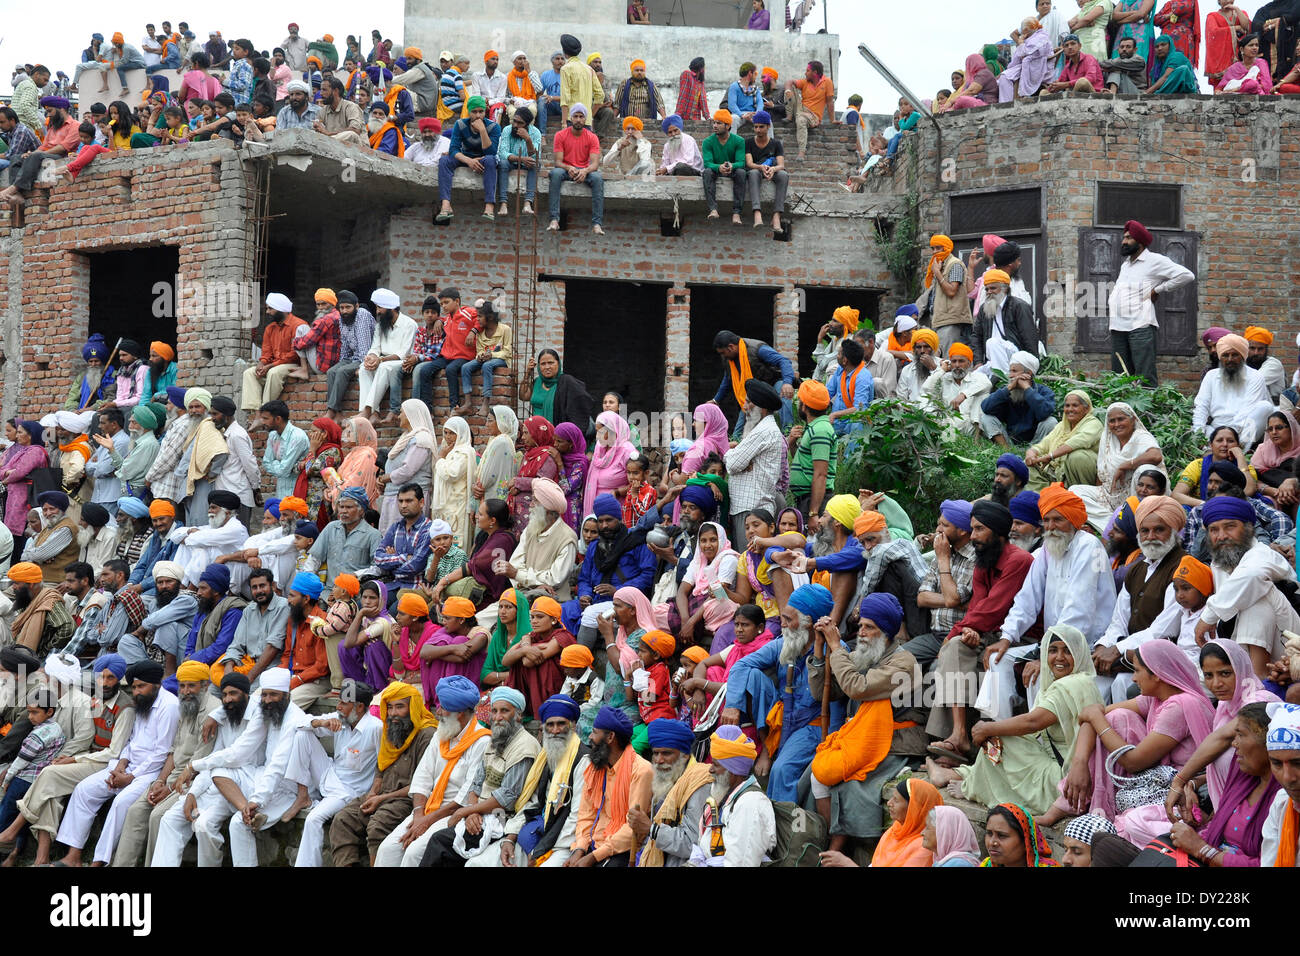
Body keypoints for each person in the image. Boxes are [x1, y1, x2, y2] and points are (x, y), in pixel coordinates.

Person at [802, 593, 926, 853]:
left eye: (870, 627)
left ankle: (836, 845)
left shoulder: (904, 662)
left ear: (886, 632)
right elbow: (824, 692)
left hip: (895, 744)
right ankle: (826, 838)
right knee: (813, 773)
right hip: (861, 739)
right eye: (861, 626)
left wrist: (836, 648)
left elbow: (856, 687)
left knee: (853, 786)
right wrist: (818, 647)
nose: (862, 632)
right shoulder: (865, 654)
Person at [981, 485, 1116, 718]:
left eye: (1058, 520)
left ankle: (1041, 745)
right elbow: (1027, 599)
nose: (1051, 527)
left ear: (1073, 521)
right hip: (1055, 645)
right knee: (998, 658)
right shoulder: (1047, 550)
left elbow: (1079, 610)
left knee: (1038, 674)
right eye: (1047, 520)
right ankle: (998, 739)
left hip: (1087, 647)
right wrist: (1006, 637)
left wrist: (1045, 655)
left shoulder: (1090, 547)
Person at [53, 660, 179, 866]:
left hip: (151, 772)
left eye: (141, 686)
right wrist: (121, 765)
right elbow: (131, 741)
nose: (136, 692)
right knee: (84, 790)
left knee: (120, 804)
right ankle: (72, 857)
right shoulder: (143, 702)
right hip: (126, 765)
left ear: (156, 685)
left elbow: (162, 752)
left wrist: (130, 776)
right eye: (134, 687)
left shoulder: (169, 706)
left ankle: (99, 861)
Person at [1195, 495, 1300, 678]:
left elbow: (1251, 576)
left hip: (1289, 645)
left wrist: (1208, 617)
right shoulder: (1219, 564)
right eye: (1214, 530)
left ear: (1248, 529)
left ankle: (1257, 681)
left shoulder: (1264, 555)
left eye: (1230, 527)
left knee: (1257, 596)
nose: (1221, 536)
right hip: (1237, 650)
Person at [1106, 219, 1196, 388]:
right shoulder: (1126, 265)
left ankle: (1147, 412)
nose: (1124, 241)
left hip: (1140, 326)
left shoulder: (1154, 260)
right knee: (1119, 378)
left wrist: (1158, 290)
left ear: (1140, 242)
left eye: (1128, 238)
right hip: (1118, 326)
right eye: (1124, 237)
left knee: (1144, 377)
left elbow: (1186, 275)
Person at [1070, 401, 1164, 530]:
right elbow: (1102, 473)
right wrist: (1102, 494)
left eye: (1121, 419)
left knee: (1144, 470)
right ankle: (1112, 524)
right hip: (1110, 495)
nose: (1116, 424)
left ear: (1132, 420)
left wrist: (1127, 465)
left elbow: (1156, 456)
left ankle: (1132, 519)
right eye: (1112, 421)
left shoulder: (1141, 436)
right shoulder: (1108, 439)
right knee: (1075, 491)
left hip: (1136, 496)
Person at [1193, 333, 1274, 448]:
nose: (1230, 359)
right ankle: (1212, 449)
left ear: (1242, 356)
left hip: (1242, 432)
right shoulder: (1211, 376)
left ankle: (1237, 451)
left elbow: (1247, 411)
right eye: (1225, 355)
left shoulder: (1255, 376)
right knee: (1202, 428)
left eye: (1234, 355)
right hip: (1216, 430)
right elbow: (1201, 406)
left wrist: (1230, 438)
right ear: (1220, 357)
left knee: (1265, 406)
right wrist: (1198, 436)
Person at [1025, 390, 1102, 489]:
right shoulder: (1061, 426)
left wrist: (1050, 456)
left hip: (1076, 473)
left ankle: (1079, 496)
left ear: (1086, 409)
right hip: (1054, 471)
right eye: (1067, 406)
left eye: (1075, 405)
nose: (1070, 409)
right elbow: (1045, 443)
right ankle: (1041, 497)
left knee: (1078, 457)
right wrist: (1032, 452)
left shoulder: (1093, 423)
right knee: (1027, 464)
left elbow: (1078, 442)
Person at [547, 102, 604, 235]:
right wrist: (569, 168)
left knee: (597, 178)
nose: (578, 119)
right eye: (575, 116)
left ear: (585, 119)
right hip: (566, 169)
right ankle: (554, 219)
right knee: (555, 174)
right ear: (570, 118)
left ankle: (597, 223)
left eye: (581, 116)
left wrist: (585, 171)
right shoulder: (560, 135)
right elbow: (558, 162)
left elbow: (595, 164)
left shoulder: (592, 137)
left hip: (584, 170)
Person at [979, 352, 1058, 448]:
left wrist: (1027, 389)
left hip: (1036, 444)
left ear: (1028, 373)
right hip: (1010, 442)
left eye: (1014, 371)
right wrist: (1008, 389)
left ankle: (1034, 453)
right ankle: (1007, 452)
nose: (1010, 376)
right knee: (986, 418)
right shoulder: (1008, 391)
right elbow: (986, 407)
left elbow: (1045, 412)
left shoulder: (1044, 391)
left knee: (1051, 422)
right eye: (1010, 371)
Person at [922, 343, 992, 439]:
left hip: (971, 425)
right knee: (926, 403)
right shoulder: (944, 378)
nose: (957, 365)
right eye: (954, 361)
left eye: (961, 361)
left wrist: (963, 395)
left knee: (982, 395)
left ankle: (977, 439)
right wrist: (942, 370)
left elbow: (988, 384)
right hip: (949, 424)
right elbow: (926, 388)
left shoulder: (977, 377)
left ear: (969, 363)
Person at [519, 349, 593, 432]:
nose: (547, 367)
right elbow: (523, 396)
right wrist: (527, 373)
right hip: (536, 432)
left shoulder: (566, 382)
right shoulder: (537, 382)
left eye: (551, 363)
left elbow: (582, 401)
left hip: (557, 434)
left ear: (558, 363)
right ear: (539, 366)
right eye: (543, 364)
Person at [981, 802, 1059, 866]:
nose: (992, 842)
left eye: (1002, 835)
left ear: (1026, 842)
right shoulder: (986, 865)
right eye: (989, 833)